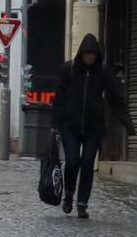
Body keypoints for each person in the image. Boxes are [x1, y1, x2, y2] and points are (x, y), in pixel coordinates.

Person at [51, 34, 132, 220]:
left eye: (93, 54)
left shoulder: (103, 71)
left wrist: (127, 121)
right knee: (72, 161)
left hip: (93, 128)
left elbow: (115, 97)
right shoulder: (69, 69)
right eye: (87, 53)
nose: (90, 57)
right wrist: (55, 124)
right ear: (82, 53)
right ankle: (69, 194)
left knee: (88, 163)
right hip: (70, 125)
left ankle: (82, 203)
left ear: (97, 55)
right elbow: (59, 97)